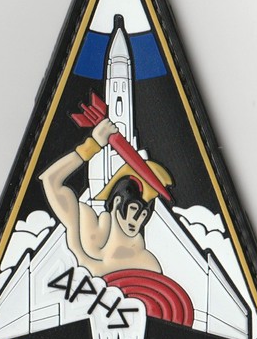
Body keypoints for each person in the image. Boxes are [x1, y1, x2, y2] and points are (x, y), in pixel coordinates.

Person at [39, 118, 172, 277]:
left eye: (143, 214)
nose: (137, 220)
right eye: (134, 209)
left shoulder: (146, 262)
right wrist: (92, 145)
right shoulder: (83, 228)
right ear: (117, 201)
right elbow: (50, 179)